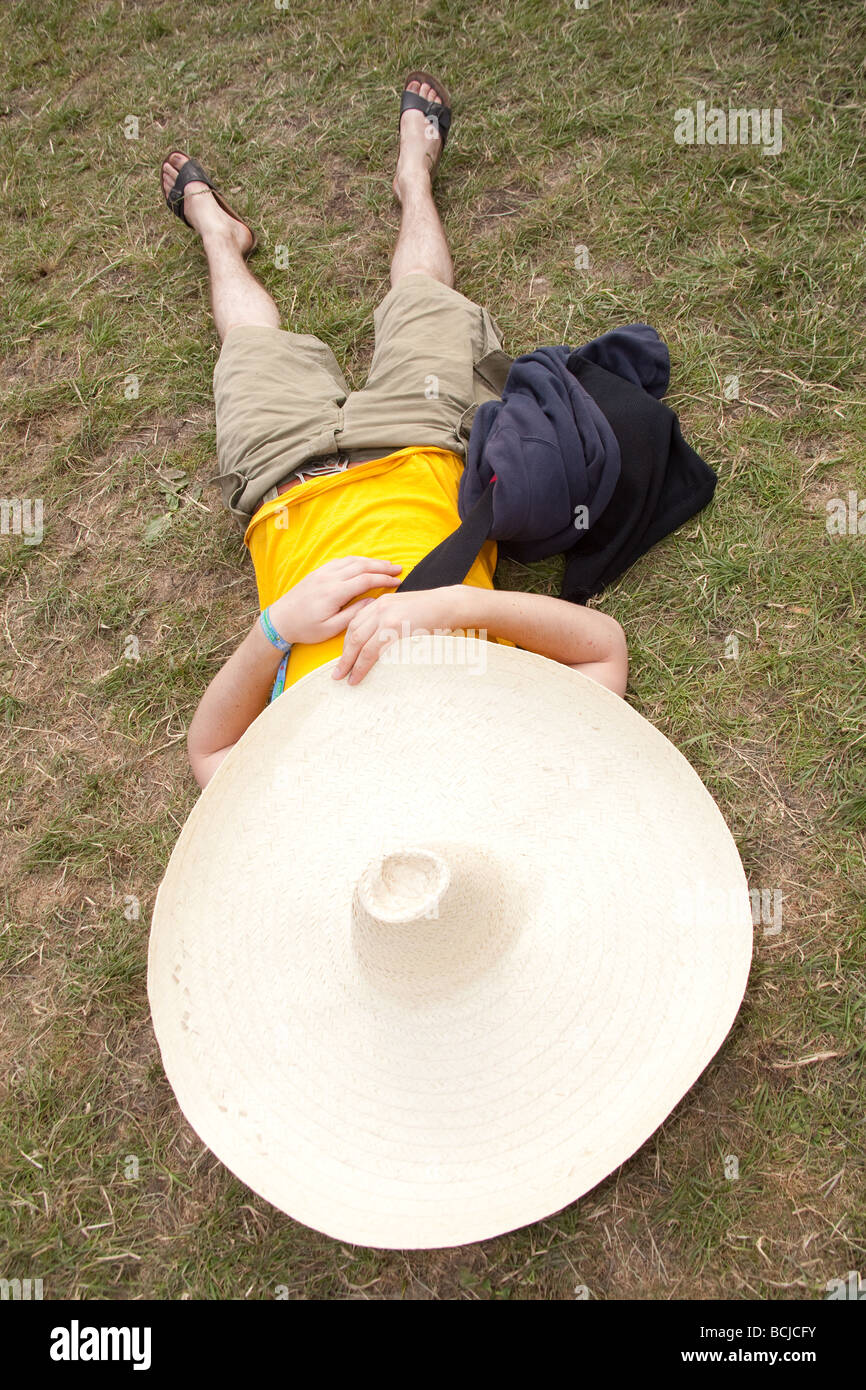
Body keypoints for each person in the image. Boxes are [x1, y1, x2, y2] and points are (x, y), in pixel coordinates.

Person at [160, 72, 628, 790]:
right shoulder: (512, 739)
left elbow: (210, 756)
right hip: (424, 440)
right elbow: (603, 651)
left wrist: (278, 628)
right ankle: (414, 176)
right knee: (422, 297)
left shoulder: (316, 778)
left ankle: (220, 236)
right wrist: (451, 605)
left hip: (282, 477)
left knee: (248, 346)